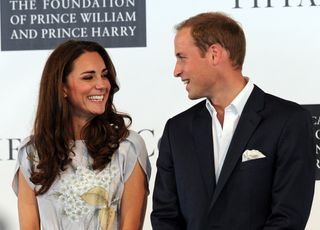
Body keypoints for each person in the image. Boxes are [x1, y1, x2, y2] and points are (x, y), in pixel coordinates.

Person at [151, 12, 315, 230]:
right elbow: (165, 216)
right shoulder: (177, 129)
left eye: (182, 57)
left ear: (214, 54)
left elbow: (288, 219)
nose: (176, 70)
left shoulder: (289, 121)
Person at [12, 40, 151, 230]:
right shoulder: (32, 152)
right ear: (62, 88)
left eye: (104, 75)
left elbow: (131, 225)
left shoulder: (128, 146)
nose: (102, 85)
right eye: (88, 77)